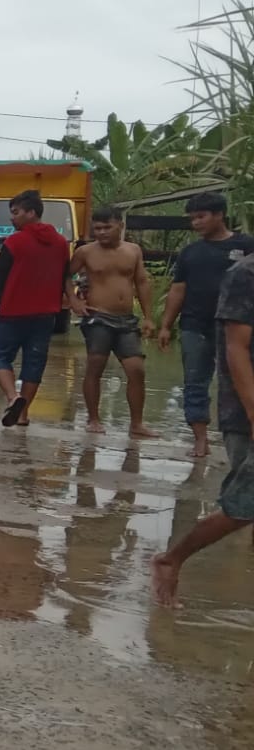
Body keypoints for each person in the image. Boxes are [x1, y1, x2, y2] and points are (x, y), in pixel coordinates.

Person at [150, 250, 254, 607]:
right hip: (246, 409)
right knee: (243, 504)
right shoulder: (246, 273)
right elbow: (235, 349)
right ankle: (171, 559)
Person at [157, 192, 254, 458]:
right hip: (195, 325)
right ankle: (200, 439)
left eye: (201, 217)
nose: (196, 223)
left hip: (237, 327)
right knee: (195, 383)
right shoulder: (190, 253)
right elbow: (178, 290)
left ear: (219, 215)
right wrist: (166, 324)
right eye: (192, 218)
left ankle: (240, 437)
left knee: (237, 380)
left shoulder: (246, 245)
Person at [0, 189, 70, 428]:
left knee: (0, 356)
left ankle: (13, 398)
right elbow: (64, 277)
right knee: (34, 363)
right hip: (46, 315)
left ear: (31, 213)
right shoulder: (61, 243)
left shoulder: (15, 241)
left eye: (16, 212)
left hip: (14, 313)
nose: (12, 218)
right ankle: (23, 414)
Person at [68, 205, 156, 439]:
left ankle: (137, 424)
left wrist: (148, 317)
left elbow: (142, 282)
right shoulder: (85, 252)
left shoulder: (133, 250)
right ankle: (93, 418)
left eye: (107, 227)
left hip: (126, 320)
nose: (102, 232)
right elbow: (65, 276)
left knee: (136, 370)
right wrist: (74, 302)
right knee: (96, 366)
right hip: (98, 317)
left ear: (120, 225)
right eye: (97, 228)